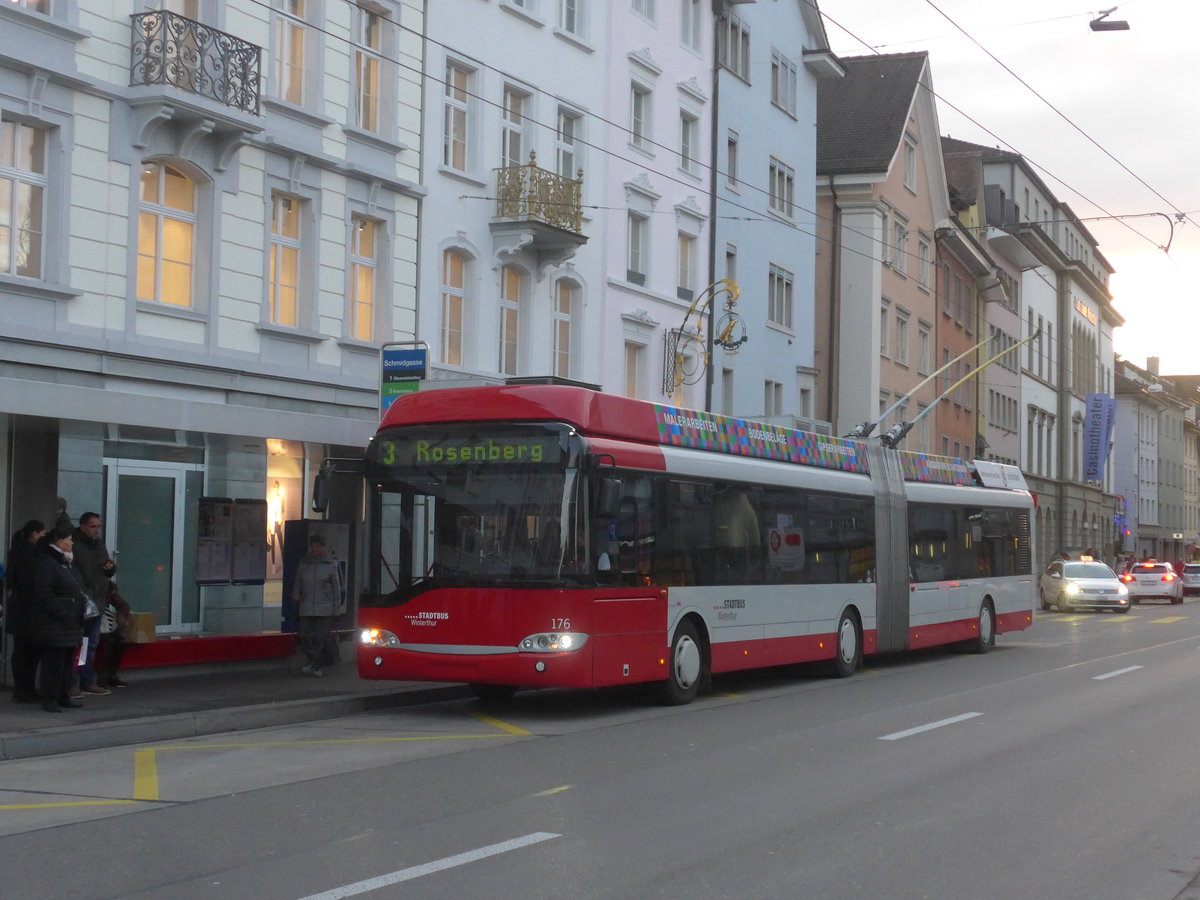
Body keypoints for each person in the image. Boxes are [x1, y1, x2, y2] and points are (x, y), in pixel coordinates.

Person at [30, 523, 87, 712]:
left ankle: (63, 695)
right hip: (55, 623)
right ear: (60, 542)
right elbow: (43, 593)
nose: (72, 544)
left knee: (67, 663)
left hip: (70, 622)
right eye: (70, 540)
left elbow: (77, 586)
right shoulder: (48, 563)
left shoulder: (66, 563)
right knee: (53, 664)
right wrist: (62, 612)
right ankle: (50, 698)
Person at [72, 512, 117, 696]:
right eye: (93, 526)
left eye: (99, 526)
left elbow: (105, 567)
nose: (97, 530)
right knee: (76, 645)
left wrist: (110, 569)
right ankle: (72, 683)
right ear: (82, 526)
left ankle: (87, 680)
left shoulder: (99, 544)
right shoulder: (74, 543)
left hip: (97, 600)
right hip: (81, 600)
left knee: (90, 644)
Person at [292, 533, 343, 677]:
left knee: (320, 637)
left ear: (323, 547)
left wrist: (336, 609)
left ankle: (316, 665)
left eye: (318, 546)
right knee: (304, 636)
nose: (315, 549)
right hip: (306, 605)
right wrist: (296, 593)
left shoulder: (330, 565)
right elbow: (298, 582)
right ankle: (312, 661)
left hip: (325, 607)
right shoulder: (304, 564)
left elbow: (336, 588)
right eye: (313, 546)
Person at [6, 519, 46, 703]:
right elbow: (30, 582)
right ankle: (25, 689)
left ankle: (23, 689)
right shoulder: (31, 554)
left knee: (22, 652)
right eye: (42, 533)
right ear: (35, 534)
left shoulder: (17, 551)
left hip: (19, 610)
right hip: (28, 611)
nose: (44, 536)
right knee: (28, 653)